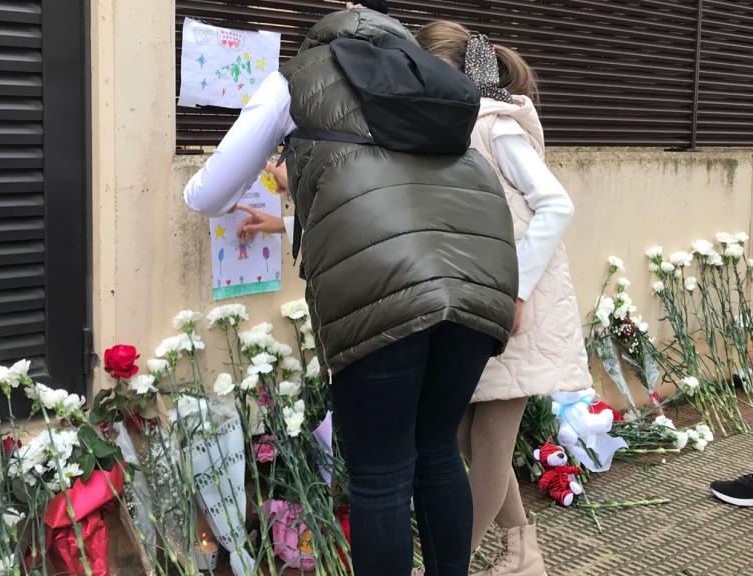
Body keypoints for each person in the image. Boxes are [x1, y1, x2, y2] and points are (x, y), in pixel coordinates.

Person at [183, 3, 521, 575]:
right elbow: (407, 188)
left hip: (386, 283)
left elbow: (207, 195)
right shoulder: (425, 77)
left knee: (382, 470)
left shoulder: (297, 77)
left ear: (319, 37)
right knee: (436, 449)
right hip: (481, 270)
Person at [415, 21, 592, 576]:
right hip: (480, 304)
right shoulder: (456, 128)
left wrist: (515, 290)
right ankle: (524, 553)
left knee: (487, 443)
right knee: (469, 435)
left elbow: (556, 205)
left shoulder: (496, 127)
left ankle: (454, 563)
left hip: (514, 309)